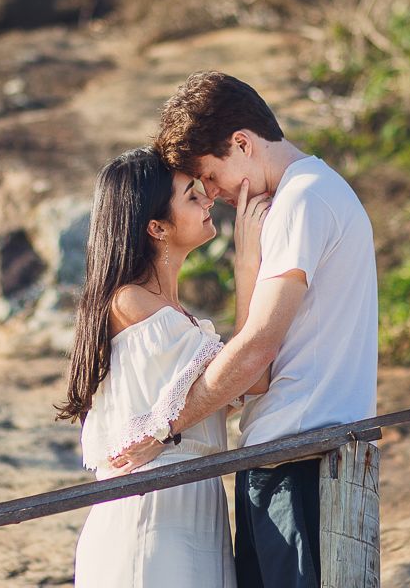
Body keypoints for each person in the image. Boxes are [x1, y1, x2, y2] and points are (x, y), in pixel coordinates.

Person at [110, 72, 379, 588]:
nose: (211, 193)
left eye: (209, 176)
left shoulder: (304, 199)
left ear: (242, 143)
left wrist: (161, 429)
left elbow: (257, 347)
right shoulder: (308, 196)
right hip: (285, 456)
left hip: (302, 459)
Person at [56, 146, 271, 588]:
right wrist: (247, 265)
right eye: (192, 197)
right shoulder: (130, 302)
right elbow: (251, 373)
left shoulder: (172, 316)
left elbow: (243, 384)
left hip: (191, 510)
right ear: (156, 226)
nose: (208, 199)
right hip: (152, 518)